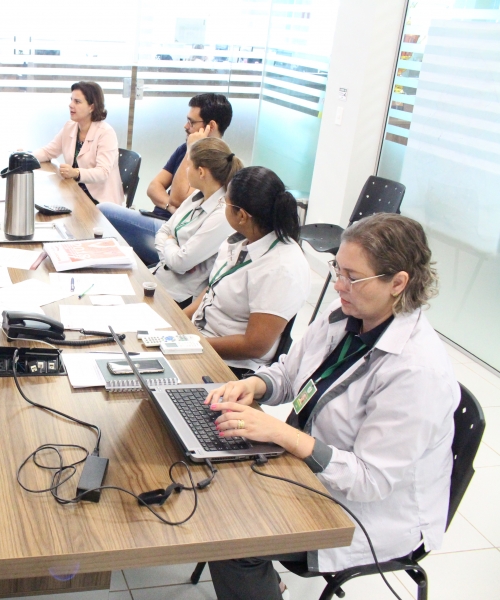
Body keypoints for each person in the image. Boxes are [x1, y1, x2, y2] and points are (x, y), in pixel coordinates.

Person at [205, 213, 458, 600]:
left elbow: (370, 481)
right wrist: (253, 384)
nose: (338, 285)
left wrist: (282, 434)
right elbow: (290, 374)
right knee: (215, 485)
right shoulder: (348, 315)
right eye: (337, 269)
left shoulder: (417, 371)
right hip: (308, 469)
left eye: (352, 277)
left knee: (233, 541)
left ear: (398, 283)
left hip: (366, 512)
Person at [182, 166, 309, 376]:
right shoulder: (242, 240)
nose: (223, 206)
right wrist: (177, 322)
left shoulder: (281, 268)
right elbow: (213, 289)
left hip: (231, 364)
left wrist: (193, 344)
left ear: (241, 215)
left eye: (225, 202)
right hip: (199, 341)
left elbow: (255, 346)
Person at [99, 93, 233, 265]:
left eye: (191, 122)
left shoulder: (217, 163)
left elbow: (178, 197)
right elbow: (153, 187)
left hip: (174, 233)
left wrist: (192, 149)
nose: (186, 126)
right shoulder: (184, 148)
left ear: (211, 126)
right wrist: (170, 206)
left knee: (103, 211)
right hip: (162, 222)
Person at [151, 138, 242, 309]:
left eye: (188, 165)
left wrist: (171, 245)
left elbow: (181, 263)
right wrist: (173, 257)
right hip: (160, 276)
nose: (186, 170)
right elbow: (163, 231)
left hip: (179, 297)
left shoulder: (222, 214)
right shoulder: (197, 196)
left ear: (201, 172)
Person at [32, 81, 123, 205]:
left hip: (100, 201)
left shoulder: (106, 133)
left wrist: (76, 173)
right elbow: (48, 152)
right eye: (71, 100)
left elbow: (103, 172)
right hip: (75, 192)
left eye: (77, 102)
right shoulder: (70, 126)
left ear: (91, 107)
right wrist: (26, 158)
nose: (71, 105)